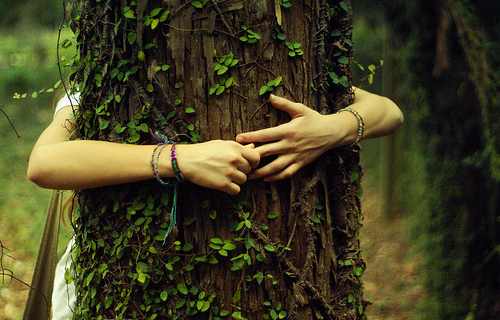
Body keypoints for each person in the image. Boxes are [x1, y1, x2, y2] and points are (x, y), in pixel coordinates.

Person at [27, 87, 403, 319]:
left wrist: (332, 128)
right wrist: (178, 159)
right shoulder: (97, 83)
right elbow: (44, 163)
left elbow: (387, 110)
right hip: (117, 285)